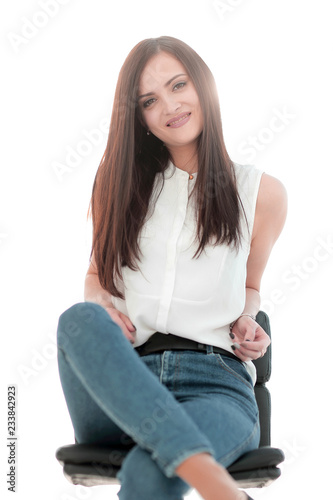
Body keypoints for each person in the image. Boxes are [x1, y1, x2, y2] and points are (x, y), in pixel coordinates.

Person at [56, 36, 287, 500]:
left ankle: (197, 471)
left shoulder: (261, 193)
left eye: (179, 85)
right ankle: (218, 488)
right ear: (138, 115)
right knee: (78, 320)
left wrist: (248, 318)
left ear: (203, 85)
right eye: (149, 100)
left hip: (216, 385)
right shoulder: (118, 185)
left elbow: (250, 286)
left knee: (149, 474)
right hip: (123, 382)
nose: (170, 105)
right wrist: (101, 301)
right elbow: (97, 276)